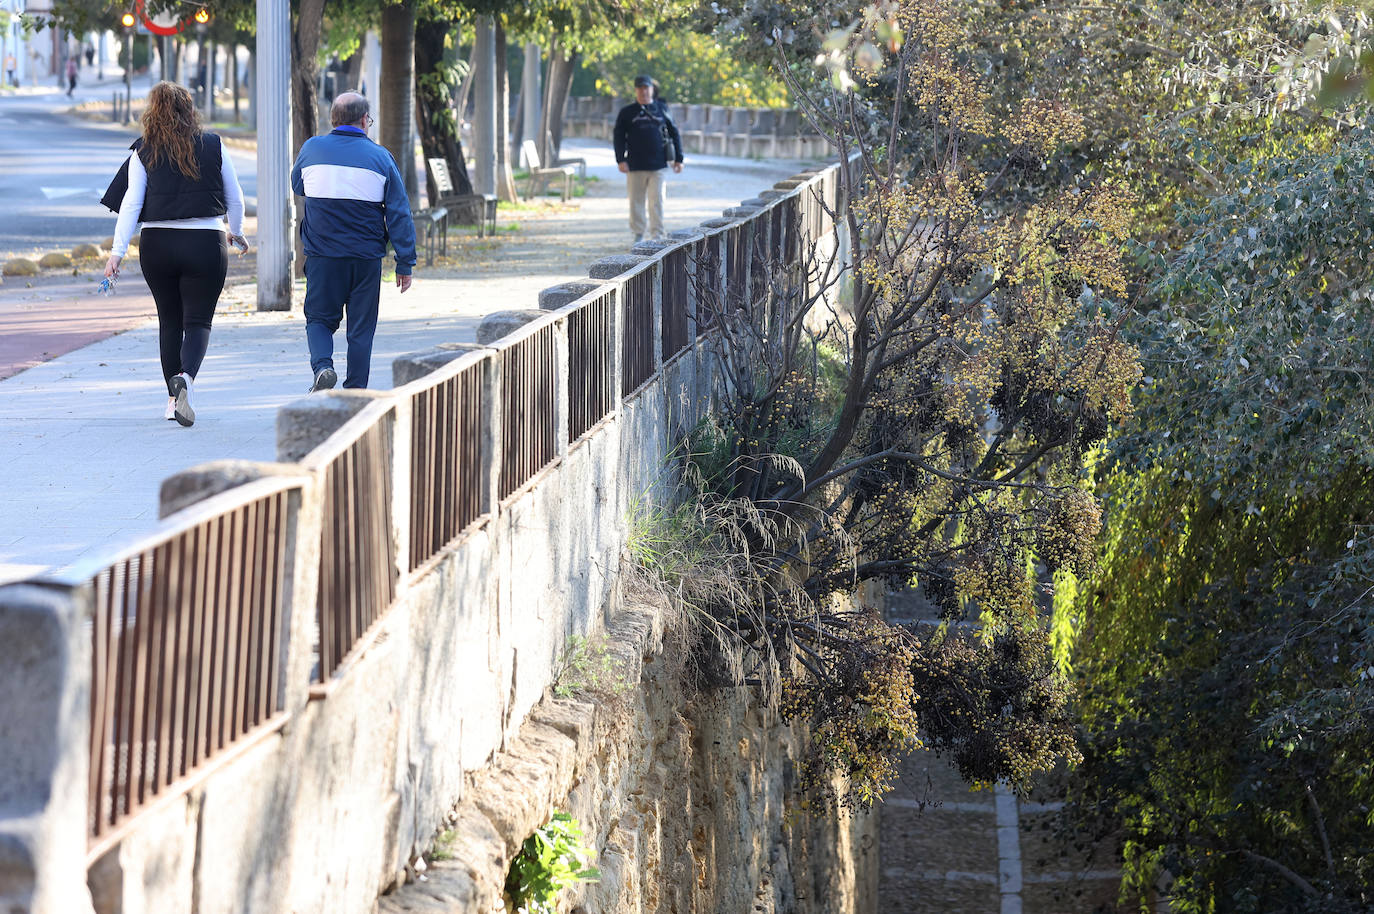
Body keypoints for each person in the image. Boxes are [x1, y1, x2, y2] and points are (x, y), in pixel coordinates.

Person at [103, 81, 247, 427]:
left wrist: (116, 253)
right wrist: (236, 234)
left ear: (152, 112)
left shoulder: (143, 151)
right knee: (198, 322)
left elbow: (131, 204)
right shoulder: (213, 145)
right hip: (205, 242)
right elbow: (236, 199)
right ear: (189, 110)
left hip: (157, 245)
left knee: (169, 321)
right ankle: (187, 380)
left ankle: (172, 401)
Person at [290, 91, 415, 391]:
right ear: (363, 121)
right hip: (366, 259)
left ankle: (323, 367)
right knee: (361, 329)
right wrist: (405, 262)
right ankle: (356, 392)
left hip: (322, 256)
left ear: (333, 119)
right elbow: (399, 212)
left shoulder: (312, 149)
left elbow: (298, 184)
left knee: (319, 319)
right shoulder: (381, 157)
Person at [613, 74, 683, 243]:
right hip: (635, 165)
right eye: (640, 88)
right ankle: (638, 234)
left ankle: (657, 235)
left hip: (658, 165)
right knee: (636, 202)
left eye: (647, 88)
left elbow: (674, 133)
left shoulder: (662, 108)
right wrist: (620, 159)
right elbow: (618, 136)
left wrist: (679, 159)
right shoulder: (627, 112)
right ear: (636, 90)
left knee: (657, 200)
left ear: (652, 89)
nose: (644, 91)